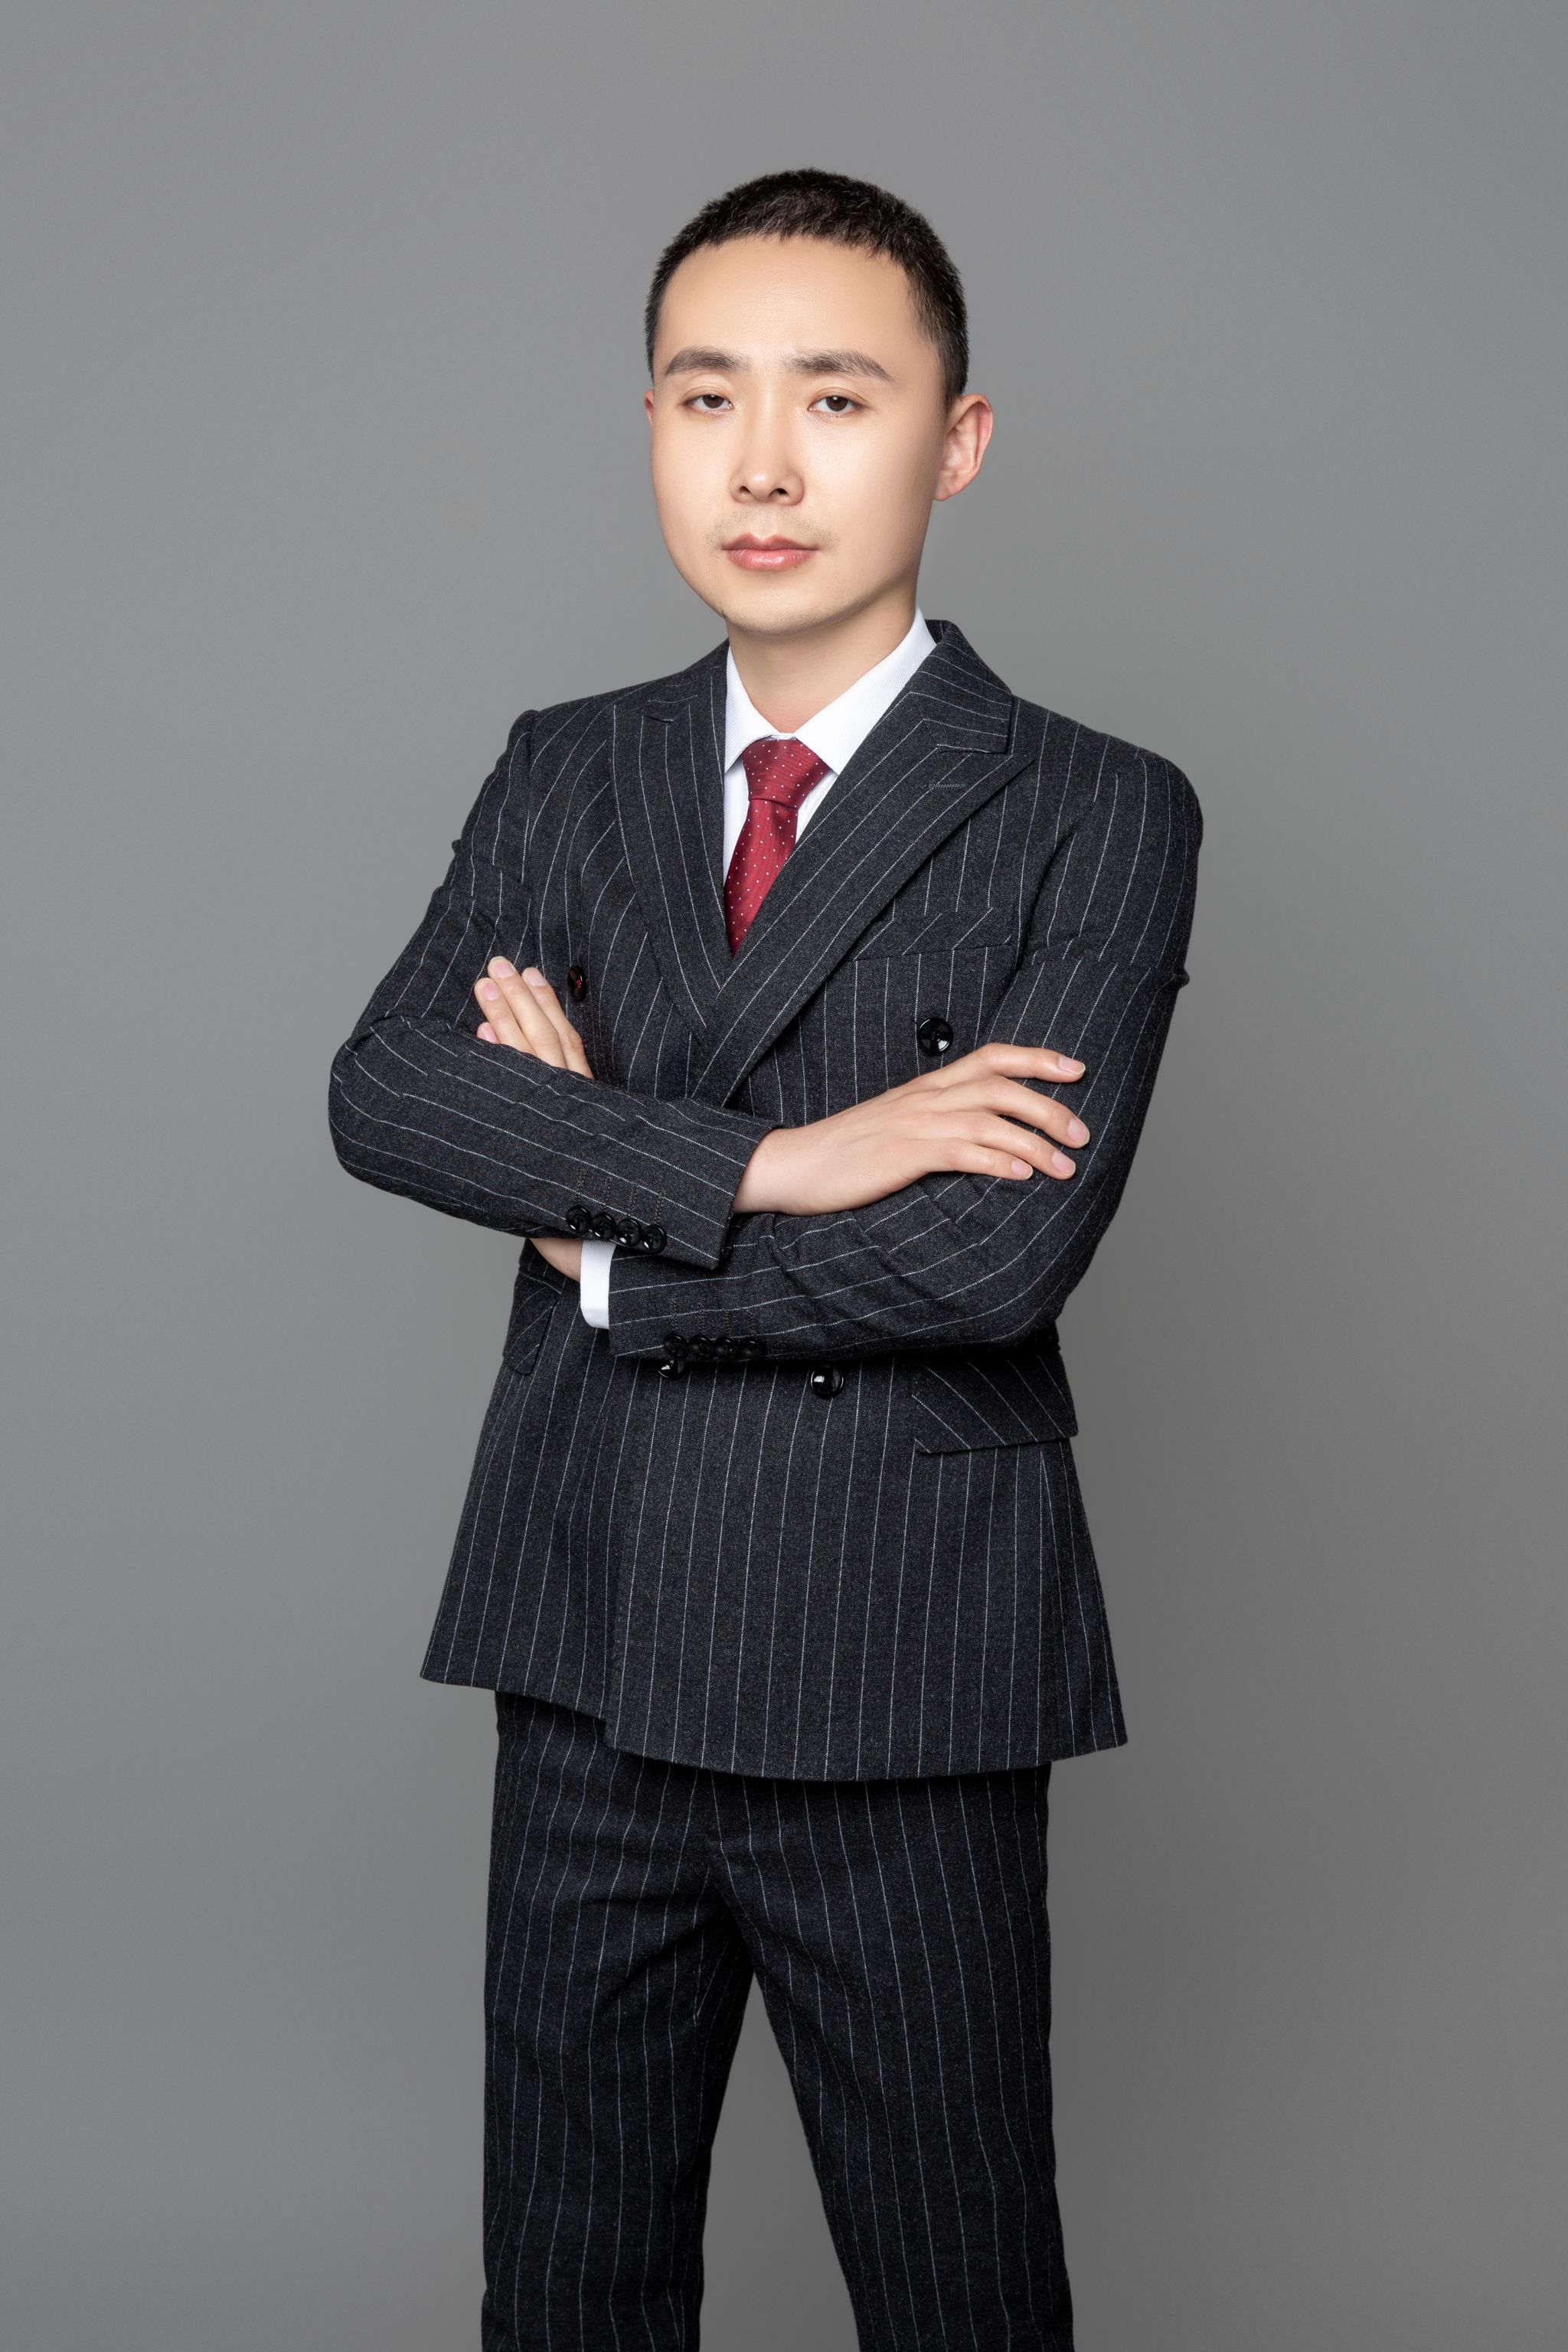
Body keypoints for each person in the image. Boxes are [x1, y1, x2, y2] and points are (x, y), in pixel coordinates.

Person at [329, 165, 1201, 2352]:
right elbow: (388, 1093)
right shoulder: (570, 767)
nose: (765, 465)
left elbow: (987, 1266)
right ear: (649, 424)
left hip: (897, 1662)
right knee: (571, 2288)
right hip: (587, 1631)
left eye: (837, 395)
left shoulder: (1096, 807)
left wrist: (595, 1233)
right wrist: (791, 1161)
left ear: (957, 440)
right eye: (707, 396)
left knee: (957, 2290)